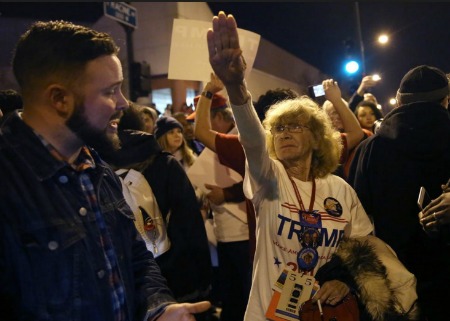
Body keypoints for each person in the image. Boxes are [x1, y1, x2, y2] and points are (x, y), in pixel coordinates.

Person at [207, 11, 418, 321]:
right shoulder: (269, 178)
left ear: (318, 138)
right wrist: (236, 86)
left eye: (295, 126)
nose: (285, 133)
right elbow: (251, 140)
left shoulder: (340, 190)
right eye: (278, 128)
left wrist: (344, 282)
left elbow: (364, 249)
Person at [0, 20, 210, 321]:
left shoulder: (95, 165)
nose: (124, 103)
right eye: (111, 91)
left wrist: (158, 307)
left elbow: (136, 257)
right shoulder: (9, 181)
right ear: (60, 99)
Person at [348, 65, 450, 321]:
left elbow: (358, 216)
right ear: (445, 100)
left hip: (395, 276)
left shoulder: (371, 148)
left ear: (400, 99)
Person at [101, 105, 214, 320]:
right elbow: (189, 223)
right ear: (142, 126)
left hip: (119, 273)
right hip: (170, 269)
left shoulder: (93, 165)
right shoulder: (165, 163)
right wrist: (201, 280)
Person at [321, 79, 365, 180]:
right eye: (334, 113)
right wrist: (336, 99)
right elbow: (356, 133)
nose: (339, 116)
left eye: (341, 112)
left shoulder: (366, 136)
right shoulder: (325, 141)